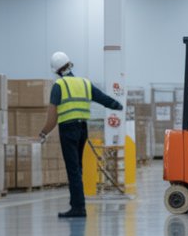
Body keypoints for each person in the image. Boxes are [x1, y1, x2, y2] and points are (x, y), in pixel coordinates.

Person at [39, 51, 124, 219]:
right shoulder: (85, 83)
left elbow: (52, 116)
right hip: (83, 129)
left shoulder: (59, 86)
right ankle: (76, 204)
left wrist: (43, 133)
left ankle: (78, 207)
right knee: (78, 168)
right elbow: (103, 98)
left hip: (68, 130)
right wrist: (118, 105)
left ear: (56, 71)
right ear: (70, 65)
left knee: (73, 170)